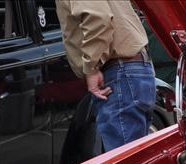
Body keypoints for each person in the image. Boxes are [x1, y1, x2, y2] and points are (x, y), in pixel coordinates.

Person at [56, 0, 155, 151]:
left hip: (119, 71)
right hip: (134, 68)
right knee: (136, 159)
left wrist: (91, 67)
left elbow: (98, 18)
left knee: (124, 161)